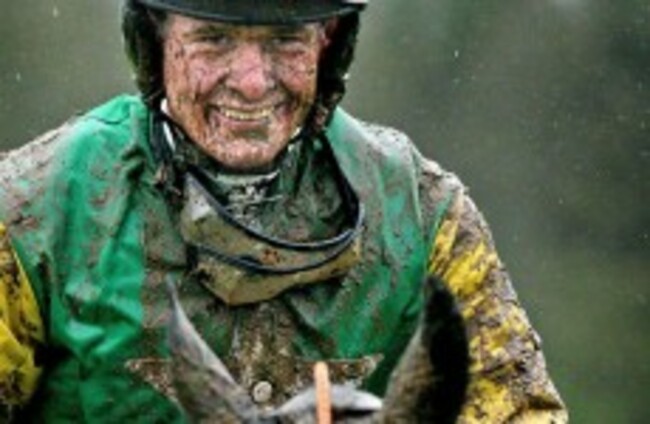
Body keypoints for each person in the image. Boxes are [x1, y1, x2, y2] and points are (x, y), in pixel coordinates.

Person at [0, 0, 567, 422]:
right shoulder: (34, 212)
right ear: (155, 39)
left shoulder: (423, 213)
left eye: (285, 40)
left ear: (328, 42)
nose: (252, 82)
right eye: (213, 40)